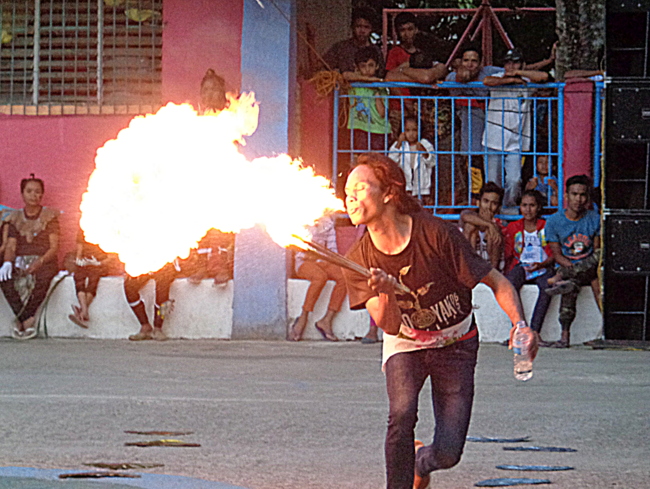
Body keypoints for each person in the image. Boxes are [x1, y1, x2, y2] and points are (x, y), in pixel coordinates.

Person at [341, 153, 537, 489]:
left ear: (389, 192)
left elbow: (498, 282)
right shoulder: (357, 259)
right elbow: (388, 326)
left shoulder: (437, 234)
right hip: (406, 342)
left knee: (448, 453)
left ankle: (422, 462)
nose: (351, 198)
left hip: (455, 342)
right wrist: (386, 292)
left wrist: (520, 325)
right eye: (347, 191)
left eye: (360, 188)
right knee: (400, 417)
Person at [483, 48, 549, 208]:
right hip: (493, 139)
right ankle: (493, 213)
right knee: (493, 181)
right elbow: (487, 81)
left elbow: (544, 76)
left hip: (515, 141)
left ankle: (508, 210)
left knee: (514, 180)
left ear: (522, 64)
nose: (511, 66)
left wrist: (520, 74)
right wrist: (510, 80)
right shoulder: (499, 77)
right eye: (508, 62)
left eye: (515, 62)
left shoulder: (527, 80)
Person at [543, 174, 601, 348]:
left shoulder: (594, 219)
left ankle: (561, 277)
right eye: (574, 194)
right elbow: (557, 255)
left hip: (590, 266)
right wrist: (571, 268)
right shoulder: (554, 222)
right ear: (566, 196)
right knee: (570, 285)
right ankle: (565, 336)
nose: (578, 199)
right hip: (569, 266)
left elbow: (597, 251)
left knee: (596, 263)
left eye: (582, 195)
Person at [0, 175, 59, 340]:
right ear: (22, 194)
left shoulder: (50, 217)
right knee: (5, 278)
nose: (34, 195)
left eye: (38, 192)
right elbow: (11, 245)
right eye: (29, 191)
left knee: (44, 277)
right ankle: (27, 319)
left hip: (44, 259)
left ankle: (22, 319)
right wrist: (7, 263)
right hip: (21, 259)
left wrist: (39, 261)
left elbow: (54, 247)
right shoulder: (14, 217)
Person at [446, 46, 502, 202]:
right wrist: (460, 75)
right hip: (471, 131)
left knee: (493, 169)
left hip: (493, 129)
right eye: (466, 60)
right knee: (473, 166)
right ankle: (475, 201)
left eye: (474, 61)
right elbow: (449, 81)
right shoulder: (452, 77)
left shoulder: (489, 72)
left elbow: (513, 71)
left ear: (480, 63)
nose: (470, 64)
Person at [503, 190, 555, 338]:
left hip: (543, 266)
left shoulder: (546, 225)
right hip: (521, 266)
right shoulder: (513, 227)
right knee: (510, 286)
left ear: (539, 207)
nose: (528, 209)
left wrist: (541, 265)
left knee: (547, 287)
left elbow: (553, 253)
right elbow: (509, 253)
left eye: (532, 205)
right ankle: (518, 329)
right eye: (524, 205)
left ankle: (535, 331)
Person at [289, 214, 346, 342]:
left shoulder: (328, 223)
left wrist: (326, 258)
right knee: (320, 277)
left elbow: (332, 250)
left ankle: (326, 320)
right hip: (303, 262)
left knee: (344, 277)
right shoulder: (302, 221)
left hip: (322, 261)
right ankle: (303, 317)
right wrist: (314, 256)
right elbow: (301, 251)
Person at [321, 7, 384, 82]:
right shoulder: (340, 48)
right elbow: (322, 68)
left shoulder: (376, 51)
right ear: (352, 27)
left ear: (371, 29)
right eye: (358, 26)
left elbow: (381, 75)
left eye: (366, 27)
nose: (362, 31)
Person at [347, 46, 391, 154]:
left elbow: (382, 113)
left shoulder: (382, 88)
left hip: (379, 130)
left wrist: (376, 93)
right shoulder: (354, 85)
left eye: (371, 65)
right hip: (360, 128)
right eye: (363, 66)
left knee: (378, 161)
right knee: (361, 159)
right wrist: (368, 80)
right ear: (357, 68)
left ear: (377, 66)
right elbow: (345, 75)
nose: (367, 69)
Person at [124, 261, 180, 341]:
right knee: (129, 286)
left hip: (166, 265)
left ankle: (158, 328)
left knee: (162, 287)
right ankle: (145, 326)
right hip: (145, 262)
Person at [68, 229, 112, 328]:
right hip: (86, 262)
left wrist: (99, 263)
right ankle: (84, 312)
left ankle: (82, 311)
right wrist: (79, 261)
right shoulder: (84, 228)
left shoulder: (110, 231)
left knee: (93, 279)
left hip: (100, 264)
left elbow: (111, 256)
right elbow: (79, 249)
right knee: (79, 278)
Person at [388, 116, 435, 204]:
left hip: (421, 185)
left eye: (414, 130)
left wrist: (424, 152)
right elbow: (391, 161)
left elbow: (432, 162)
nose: (411, 134)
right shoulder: (400, 145)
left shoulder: (425, 144)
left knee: (420, 209)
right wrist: (398, 144)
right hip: (405, 184)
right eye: (407, 130)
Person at [460, 182, 506, 271]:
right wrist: (489, 224)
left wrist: (492, 226)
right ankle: (469, 270)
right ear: (478, 202)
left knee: (493, 233)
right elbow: (464, 216)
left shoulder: (498, 224)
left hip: (489, 267)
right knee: (470, 226)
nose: (488, 207)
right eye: (486, 201)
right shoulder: (469, 215)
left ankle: (493, 275)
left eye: (494, 203)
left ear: (498, 207)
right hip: (469, 266)